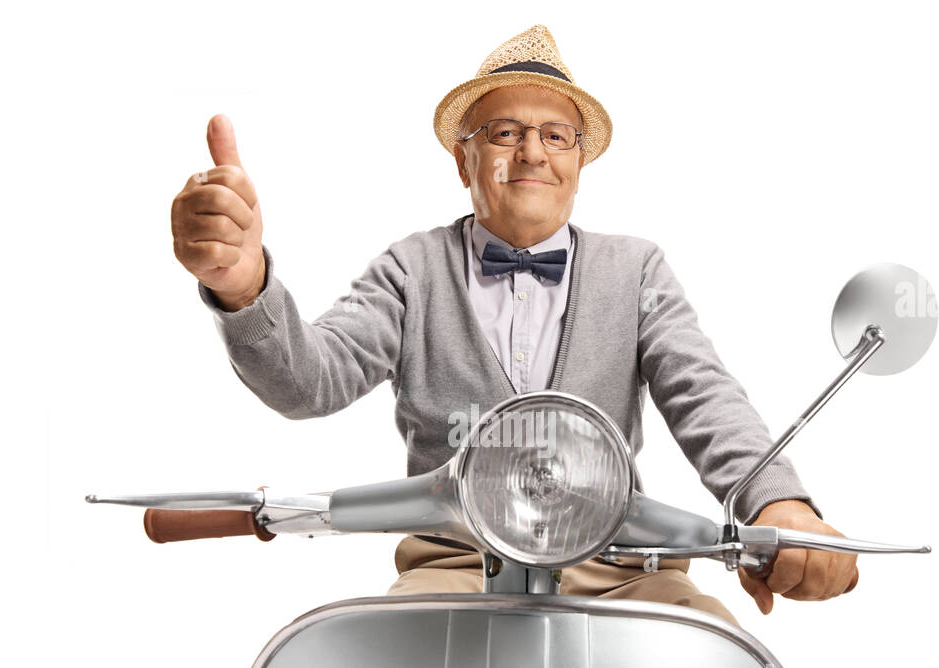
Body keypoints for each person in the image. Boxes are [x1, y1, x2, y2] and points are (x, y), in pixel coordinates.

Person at [169, 24, 858, 628]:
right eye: (505, 133)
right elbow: (308, 382)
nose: (532, 152)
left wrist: (780, 505)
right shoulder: (413, 269)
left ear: (578, 161)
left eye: (555, 135)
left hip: (620, 562)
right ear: (463, 158)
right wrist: (243, 285)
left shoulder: (637, 269)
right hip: (455, 561)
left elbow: (704, 393)